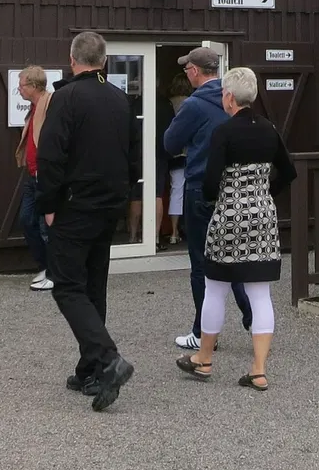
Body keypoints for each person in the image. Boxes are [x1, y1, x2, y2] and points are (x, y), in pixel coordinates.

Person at [35, 31, 138, 411]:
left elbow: (51, 156)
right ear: (105, 61)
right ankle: (90, 369)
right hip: (109, 203)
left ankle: (108, 359)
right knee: (94, 285)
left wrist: (48, 203)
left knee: (66, 285)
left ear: (72, 59)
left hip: (75, 204)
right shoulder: (119, 97)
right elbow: (132, 152)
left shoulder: (66, 97)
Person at [176, 67, 296, 389]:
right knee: (260, 293)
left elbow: (211, 182)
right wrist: (265, 192)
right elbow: (288, 172)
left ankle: (204, 358)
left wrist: (218, 195)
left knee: (215, 287)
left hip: (230, 215)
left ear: (229, 97)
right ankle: (258, 369)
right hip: (262, 215)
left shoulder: (224, 133)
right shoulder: (269, 130)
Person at [163, 46, 252, 350]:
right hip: (234, 188)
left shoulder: (193, 105)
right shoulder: (234, 101)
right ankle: (254, 321)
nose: (186, 73)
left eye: (187, 68)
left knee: (202, 265)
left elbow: (169, 142)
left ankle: (203, 334)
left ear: (196, 72)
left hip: (201, 187)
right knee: (235, 259)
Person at [14, 65, 54, 291]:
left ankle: (54, 272)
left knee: (45, 225)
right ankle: (45, 266)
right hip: (32, 174)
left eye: (21, 85)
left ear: (33, 85)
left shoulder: (49, 105)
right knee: (27, 221)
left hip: (44, 174)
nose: (19, 89)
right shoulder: (33, 107)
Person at [158, 72, 191, 248]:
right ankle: (189, 229)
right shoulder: (192, 102)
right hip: (191, 152)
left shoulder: (169, 103)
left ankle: (173, 232)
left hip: (175, 153)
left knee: (176, 192)